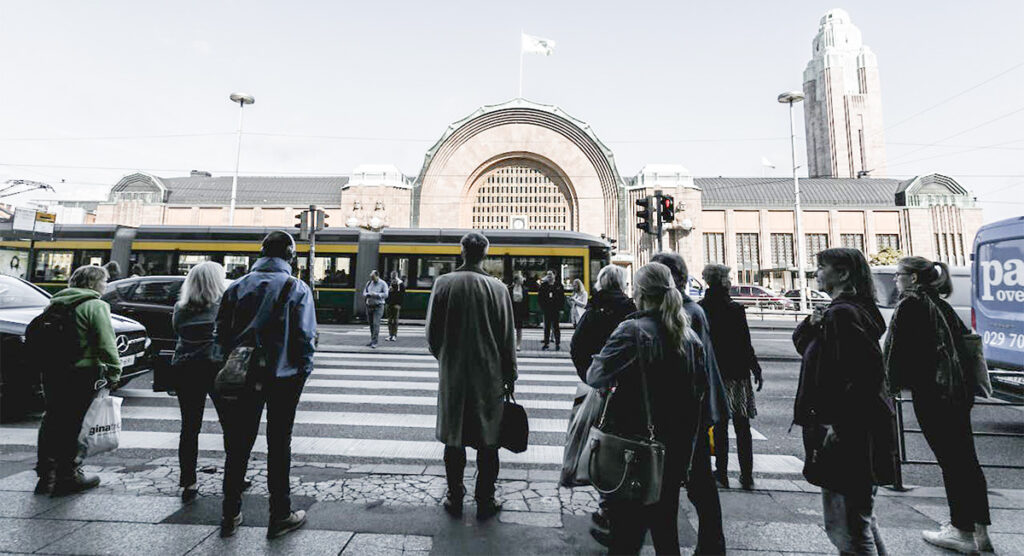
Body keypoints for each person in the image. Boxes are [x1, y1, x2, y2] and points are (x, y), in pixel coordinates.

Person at [586, 262, 707, 555]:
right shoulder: (689, 337)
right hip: (674, 447)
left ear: (639, 292)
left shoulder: (632, 330)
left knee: (626, 533)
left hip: (634, 445)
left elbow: (595, 375)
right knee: (666, 530)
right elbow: (698, 397)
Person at [884, 256, 992, 554]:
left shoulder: (911, 305)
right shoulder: (941, 304)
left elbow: (897, 353)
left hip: (933, 393)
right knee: (966, 459)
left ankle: (961, 531)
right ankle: (979, 530)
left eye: (898, 274)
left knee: (952, 462)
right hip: (957, 392)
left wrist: (888, 385)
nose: (895, 279)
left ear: (913, 278)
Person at [793, 248, 896, 555]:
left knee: (847, 527)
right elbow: (806, 347)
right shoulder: (852, 310)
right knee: (860, 519)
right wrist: (812, 323)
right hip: (859, 430)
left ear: (843, 273)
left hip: (848, 433)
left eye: (821, 267)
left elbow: (866, 374)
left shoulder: (842, 314)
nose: (817, 273)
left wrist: (838, 425)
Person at [215, 231, 317, 539]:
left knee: (238, 443)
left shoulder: (236, 287)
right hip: (284, 377)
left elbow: (220, 334)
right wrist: (303, 370)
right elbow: (305, 337)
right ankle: (279, 515)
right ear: (290, 256)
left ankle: (230, 514)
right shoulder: (296, 287)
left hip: (244, 375)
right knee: (279, 443)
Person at [426, 232, 517, 521]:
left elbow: (432, 334)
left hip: (453, 375)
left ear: (461, 251)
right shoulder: (498, 288)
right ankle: (485, 499)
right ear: (485, 255)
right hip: (489, 376)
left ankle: (454, 496)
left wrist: (447, 358)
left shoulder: (443, 284)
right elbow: (507, 337)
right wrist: (510, 373)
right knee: (488, 440)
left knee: (455, 438)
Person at [650, 251, 729, 555]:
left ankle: (704, 545)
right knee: (699, 483)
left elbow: (683, 370)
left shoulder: (684, 312)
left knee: (675, 487)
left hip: (686, 414)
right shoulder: (692, 309)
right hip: (696, 410)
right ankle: (712, 544)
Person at [34, 265, 121, 497]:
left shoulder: (56, 303)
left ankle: (45, 475)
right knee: (74, 423)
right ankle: (68, 476)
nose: (106, 285)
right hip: (81, 372)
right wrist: (114, 371)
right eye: (105, 281)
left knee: (51, 419)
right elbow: (106, 343)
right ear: (93, 284)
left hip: (52, 371)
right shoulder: (96, 305)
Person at [699, 264, 763, 490]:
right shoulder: (736, 309)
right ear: (724, 281)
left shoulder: (701, 308)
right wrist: (755, 367)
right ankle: (747, 475)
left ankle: (722, 473)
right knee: (742, 425)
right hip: (738, 374)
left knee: (719, 425)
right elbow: (745, 343)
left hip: (715, 374)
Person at [172, 261, 228, 504]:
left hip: (186, 369)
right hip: (217, 369)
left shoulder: (180, 308)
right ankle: (235, 476)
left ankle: (188, 480)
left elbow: (177, 332)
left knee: (189, 427)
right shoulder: (224, 307)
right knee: (230, 425)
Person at [538, 270, 565, 350]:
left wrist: (561, 309)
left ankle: (557, 343)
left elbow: (562, 298)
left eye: (550, 274)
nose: (549, 276)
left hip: (556, 309)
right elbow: (540, 297)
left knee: (556, 326)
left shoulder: (559, 285)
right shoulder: (544, 285)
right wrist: (542, 307)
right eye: (548, 274)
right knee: (547, 327)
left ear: (554, 275)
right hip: (547, 309)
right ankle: (546, 343)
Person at [362, 270, 389, 348]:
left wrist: (376, 295)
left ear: (377, 276)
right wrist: (367, 295)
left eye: (373, 277)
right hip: (369, 305)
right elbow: (364, 292)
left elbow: (386, 294)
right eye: (371, 277)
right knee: (371, 324)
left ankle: (375, 342)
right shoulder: (369, 283)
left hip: (378, 306)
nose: (372, 279)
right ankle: (372, 340)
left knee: (376, 323)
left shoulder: (383, 284)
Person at [508, 271, 529, 351]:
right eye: (521, 278)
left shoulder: (525, 289)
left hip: (520, 310)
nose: (523, 280)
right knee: (510, 328)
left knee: (519, 329)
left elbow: (526, 302)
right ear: (516, 280)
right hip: (512, 309)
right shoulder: (510, 289)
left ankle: (518, 345)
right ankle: (511, 344)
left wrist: (526, 313)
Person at [385, 271, 405, 342]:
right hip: (389, 303)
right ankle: (390, 335)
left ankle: (394, 335)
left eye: (394, 275)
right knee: (390, 320)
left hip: (395, 304)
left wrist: (399, 304)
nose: (392, 276)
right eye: (392, 275)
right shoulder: (389, 283)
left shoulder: (400, 283)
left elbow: (401, 295)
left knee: (395, 320)